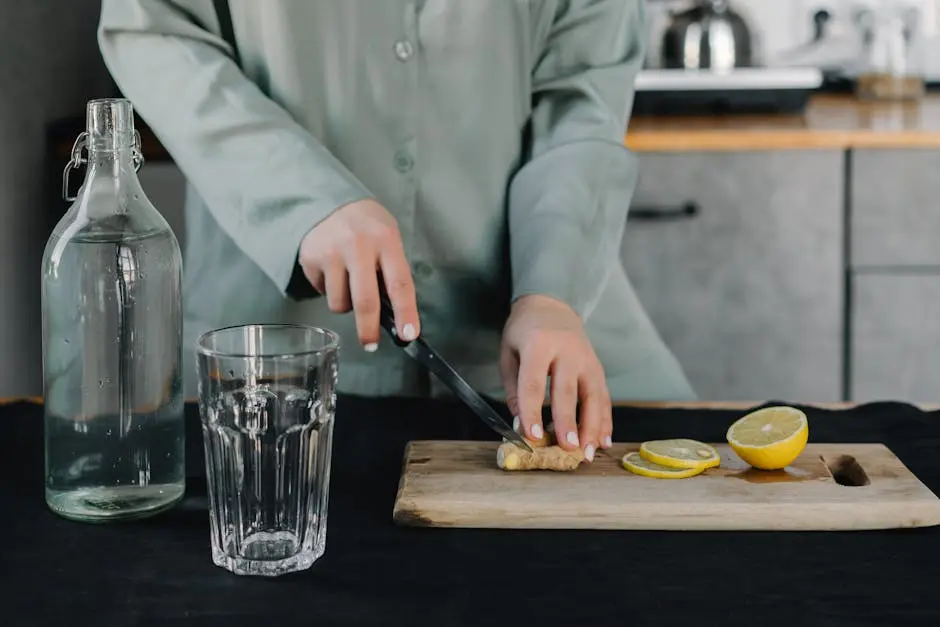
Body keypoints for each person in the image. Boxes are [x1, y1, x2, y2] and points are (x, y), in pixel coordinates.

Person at [97, 0, 695, 463]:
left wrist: (550, 292)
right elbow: (151, 25)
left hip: (540, 332)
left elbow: (579, 100)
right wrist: (303, 198)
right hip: (273, 356)